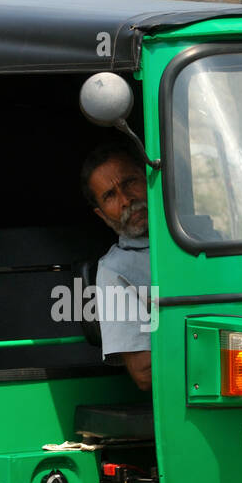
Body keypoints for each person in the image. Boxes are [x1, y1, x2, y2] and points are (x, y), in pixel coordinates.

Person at [82, 140, 152, 391]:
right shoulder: (115, 270)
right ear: (101, 214)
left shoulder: (203, 237)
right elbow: (145, 373)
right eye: (110, 196)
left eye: (130, 182)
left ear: (148, 177)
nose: (126, 200)